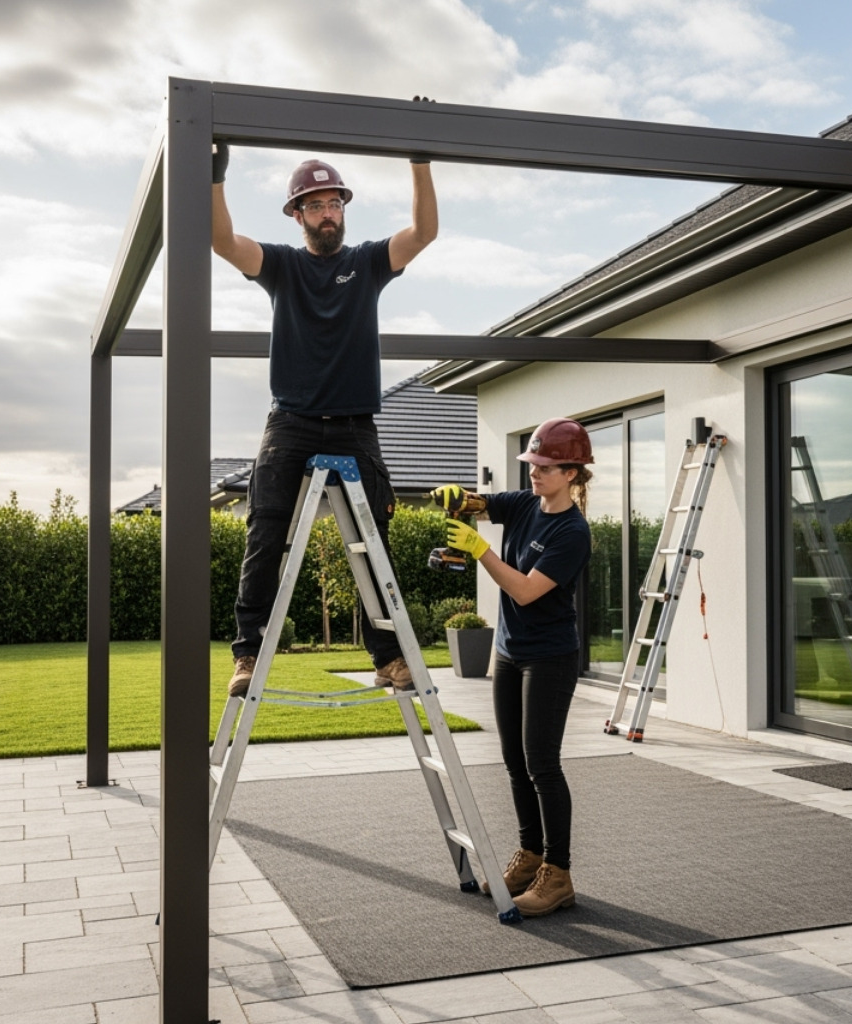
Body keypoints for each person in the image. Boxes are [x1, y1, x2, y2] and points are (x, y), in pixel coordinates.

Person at [211, 139, 437, 698]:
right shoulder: (283, 267)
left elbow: (424, 233)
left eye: (334, 202)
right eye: (314, 205)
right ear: (297, 214)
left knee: (373, 540)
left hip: (356, 424)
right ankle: (246, 655)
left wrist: (420, 160)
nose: (326, 212)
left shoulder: (365, 263)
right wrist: (216, 177)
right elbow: (221, 241)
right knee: (265, 534)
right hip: (291, 421)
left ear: (343, 209)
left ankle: (387, 657)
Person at [432, 418, 594, 917]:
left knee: (542, 763)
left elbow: (524, 590)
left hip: (549, 656)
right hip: (509, 652)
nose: (535, 473)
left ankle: (559, 875)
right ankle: (530, 855)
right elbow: (482, 505)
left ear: (572, 473)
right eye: (532, 464)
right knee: (514, 762)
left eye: (545, 468)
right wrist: (457, 497)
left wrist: (481, 550)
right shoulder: (524, 504)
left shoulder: (573, 532)